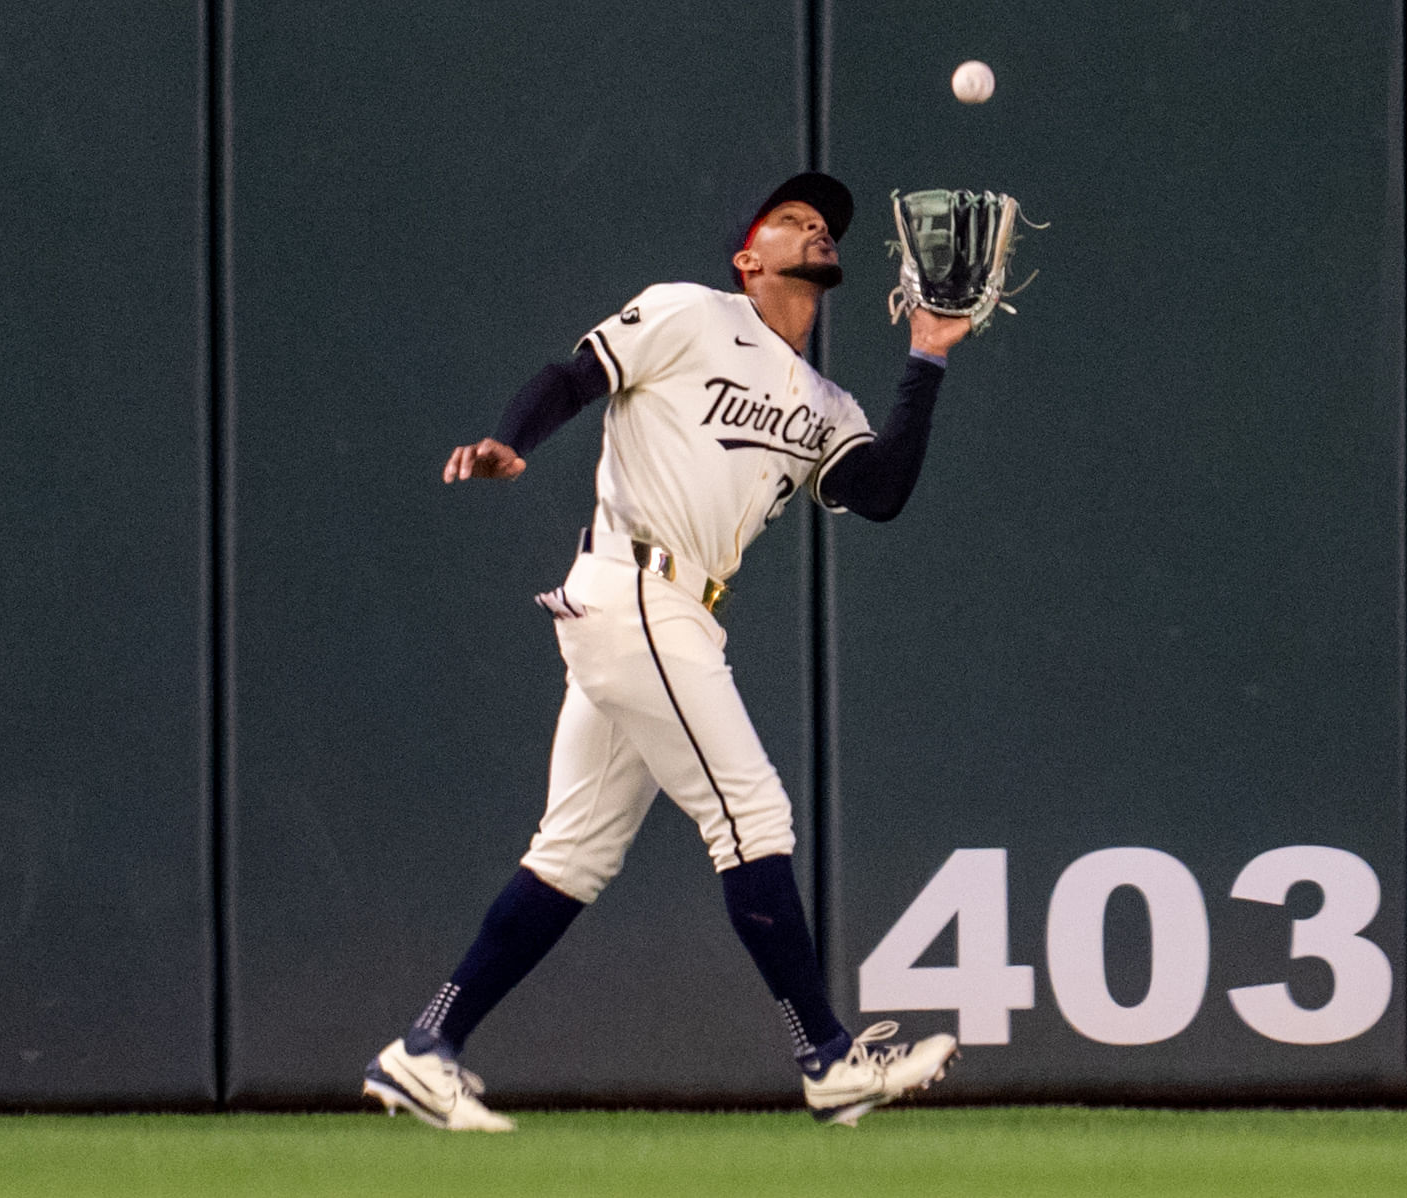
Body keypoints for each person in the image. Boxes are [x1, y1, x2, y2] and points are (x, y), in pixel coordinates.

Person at [363, 172, 974, 1131]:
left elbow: (882, 489)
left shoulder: (827, 402)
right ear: (749, 256)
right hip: (638, 589)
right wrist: (509, 439)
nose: (815, 229)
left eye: (824, 225)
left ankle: (424, 1047)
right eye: (793, 221)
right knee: (750, 813)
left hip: (675, 611)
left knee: (572, 856)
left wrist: (928, 359)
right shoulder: (693, 314)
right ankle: (827, 1056)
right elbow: (575, 376)